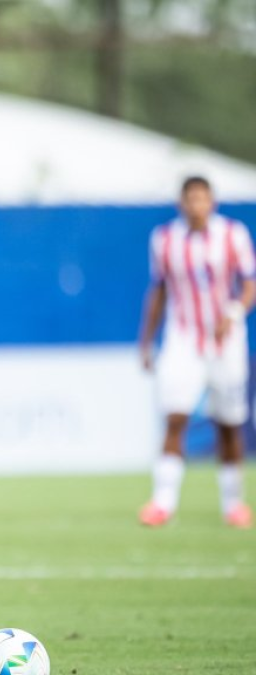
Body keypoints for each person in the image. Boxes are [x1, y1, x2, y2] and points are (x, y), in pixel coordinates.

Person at [138, 175, 254, 529]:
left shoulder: (233, 235)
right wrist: (146, 341)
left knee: (229, 425)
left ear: (212, 202)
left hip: (226, 342)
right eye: (191, 199)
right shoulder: (164, 239)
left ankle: (233, 503)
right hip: (182, 339)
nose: (197, 206)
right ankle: (163, 502)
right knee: (175, 417)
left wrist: (233, 312)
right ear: (181, 203)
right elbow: (157, 291)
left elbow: (250, 284)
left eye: (203, 199)